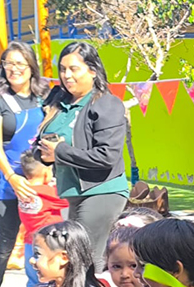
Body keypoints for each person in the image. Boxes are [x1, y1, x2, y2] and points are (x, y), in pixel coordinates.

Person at [37, 41, 130, 271]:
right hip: (73, 191)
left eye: (74, 69)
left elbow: (106, 156)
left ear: (92, 70)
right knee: (77, 261)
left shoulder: (106, 104)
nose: (66, 75)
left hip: (102, 190)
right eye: (63, 69)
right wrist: (46, 156)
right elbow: (45, 144)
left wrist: (59, 152)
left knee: (84, 262)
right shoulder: (61, 104)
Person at [0, 41, 49, 287]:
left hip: (42, 184)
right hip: (8, 181)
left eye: (19, 63)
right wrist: (12, 177)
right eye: (8, 63)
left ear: (31, 67)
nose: (13, 69)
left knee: (42, 240)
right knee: (4, 245)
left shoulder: (46, 97)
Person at [17, 150, 67, 287]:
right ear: (46, 172)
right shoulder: (47, 192)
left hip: (29, 242)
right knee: (50, 278)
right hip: (49, 243)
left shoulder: (22, 190)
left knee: (33, 278)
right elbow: (66, 201)